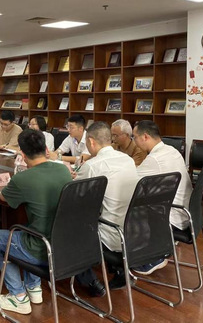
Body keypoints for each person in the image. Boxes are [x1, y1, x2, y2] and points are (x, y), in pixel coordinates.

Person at [0, 129, 72, 315]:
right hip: (63, 245)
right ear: (46, 149)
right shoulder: (63, 169)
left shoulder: (22, 178)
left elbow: (3, 198)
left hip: (40, 248)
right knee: (28, 228)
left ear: (22, 153)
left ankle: (18, 297)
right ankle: (34, 288)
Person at [74, 122, 139, 291]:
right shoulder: (127, 160)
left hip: (110, 233)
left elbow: (74, 197)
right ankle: (117, 270)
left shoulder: (92, 166)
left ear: (91, 141)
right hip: (134, 229)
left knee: (70, 224)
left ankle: (90, 282)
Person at [132, 120, 193, 275]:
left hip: (171, 217)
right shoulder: (171, 150)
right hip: (186, 212)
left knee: (127, 207)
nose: (134, 141)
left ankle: (154, 257)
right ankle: (158, 248)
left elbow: (131, 180)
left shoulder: (155, 159)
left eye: (135, 137)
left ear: (145, 137)